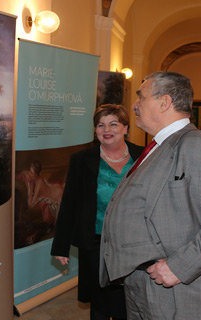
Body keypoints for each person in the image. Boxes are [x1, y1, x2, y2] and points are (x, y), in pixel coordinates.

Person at [99, 72, 201, 319]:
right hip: (144, 281)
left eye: (141, 97)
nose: (135, 105)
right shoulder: (158, 146)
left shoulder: (199, 147)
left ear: (164, 102)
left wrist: (179, 267)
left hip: (176, 286)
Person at [51, 104, 144, 320]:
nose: (106, 129)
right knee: (100, 304)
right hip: (95, 244)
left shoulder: (143, 156)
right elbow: (69, 204)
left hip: (133, 244)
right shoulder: (81, 160)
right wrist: (61, 246)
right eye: (100, 125)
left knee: (128, 302)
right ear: (95, 130)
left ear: (126, 128)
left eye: (113, 124)